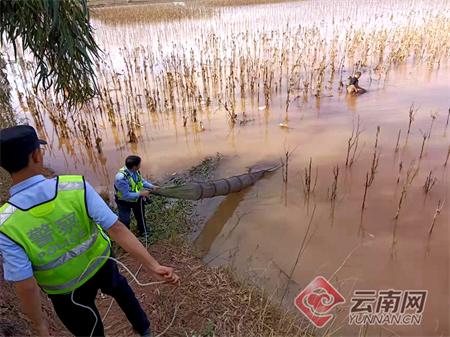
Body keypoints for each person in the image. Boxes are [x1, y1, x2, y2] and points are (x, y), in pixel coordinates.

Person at [0, 125, 179, 337]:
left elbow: (25, 284)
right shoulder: (76, 186)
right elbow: (116, 228)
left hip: (65, 292)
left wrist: (40, 326)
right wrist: (153, 265)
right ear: (37, 155)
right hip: (102, 264)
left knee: (89, 330)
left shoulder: (5, 224)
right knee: (123, 292)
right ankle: (145, 331)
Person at [114, 155, 158, 237]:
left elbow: (142, 181)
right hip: (123, 202)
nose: (140, 165)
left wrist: (152, 186)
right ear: (134, 166)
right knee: (125, 220)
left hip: (136, 200)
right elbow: (125, 195)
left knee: (140, 216)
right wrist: (141, 194)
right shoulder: (120, 178)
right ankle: (126, 236)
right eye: (139, 164)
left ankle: (143, 231)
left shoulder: (135, 171)